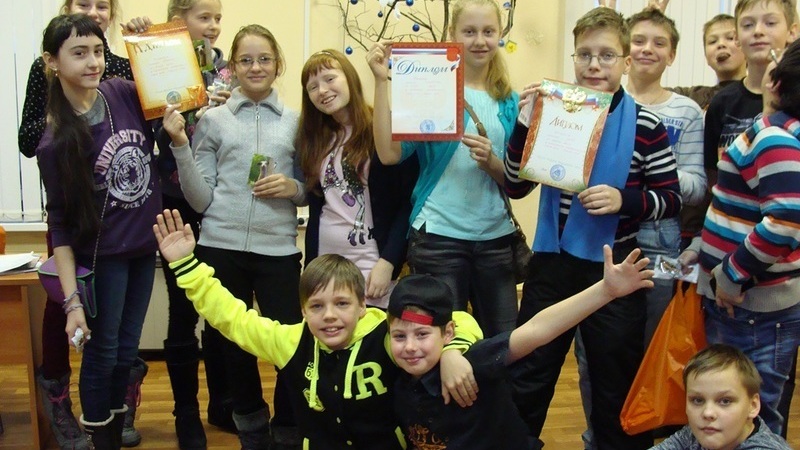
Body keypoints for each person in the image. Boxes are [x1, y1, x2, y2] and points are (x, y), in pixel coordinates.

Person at [152, 208, 483, 450]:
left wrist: (453, 352)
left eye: (342, 303)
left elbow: (457, 319)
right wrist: (186, 265)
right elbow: (233, 318)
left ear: (362, 305)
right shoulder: (290, 342)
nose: (329, 316)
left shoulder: (385, 332)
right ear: (303, 311)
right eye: (317, 306)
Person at [504, 6, 682, 449]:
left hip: (617, 267)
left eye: (606, 55)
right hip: (552, 261)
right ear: (574, 59)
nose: (594, 65)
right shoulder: (553, 112)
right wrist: (524, 124)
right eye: (584, 55)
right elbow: (515, 185)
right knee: (528, 373)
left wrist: (626, 200)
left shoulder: (646, 124)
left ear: (626, 62)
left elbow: (671, 198)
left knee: (614, 382)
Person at [162, 24, 303, 449]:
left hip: (278, 250)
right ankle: (252, 433)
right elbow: (200, 198)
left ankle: (288, 429)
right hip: (220, 247)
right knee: (232, 347)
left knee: (290, 344)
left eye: (264, 59)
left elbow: (311, 187)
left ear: (278, 64)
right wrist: (180, 144)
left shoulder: (297, 122)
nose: (255, 67)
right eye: (246, 60)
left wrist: (292, 188)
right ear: (233, 67)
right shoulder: (213, 120)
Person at [18, 2, 149, 447]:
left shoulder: (121, 92)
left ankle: (112, 431)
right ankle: (101, 440)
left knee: (126, 352)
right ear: (52, 62)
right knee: (103, 354)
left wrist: (146, 42)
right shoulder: (54, 139)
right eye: (79, 53)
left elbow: (174, 86)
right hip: (103, 257)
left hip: (142, 249)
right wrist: (72, 300)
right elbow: (59, 225)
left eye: (97, 50)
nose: (93, 62)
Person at [389, 245, 654, 450]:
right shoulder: (394, 373)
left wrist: (605, 291)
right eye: (399, 336)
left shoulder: (475, 361)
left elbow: (537, 330)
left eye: (422, 334)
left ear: (448, 333)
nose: (410, 347)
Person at [369, 0, 520, 336]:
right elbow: (389, 154)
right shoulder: (432, 88)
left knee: (504, 343)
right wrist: (381, 82)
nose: (479, 40)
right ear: (453, 35)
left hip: (495, 240)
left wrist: (492, 163)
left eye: (488, 31)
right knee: (441, 342)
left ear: (499, 35)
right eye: (469, 31)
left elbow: (515, 181)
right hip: (438, 238)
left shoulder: (510, 101)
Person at [125, 1, 232, 447]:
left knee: (221, 307)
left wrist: (223, 107)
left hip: (219, 205)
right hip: (174, 204)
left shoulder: (226, 69)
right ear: (178, 20)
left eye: (217, 18)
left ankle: (223, 401)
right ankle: (185, 412)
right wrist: (141, 38)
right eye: (204, 17)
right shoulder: (157, 61)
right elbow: (148, 130)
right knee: (183, 308)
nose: (213, 25)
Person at [682, 36, 800, 437]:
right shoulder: (781, 134)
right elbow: (740, 208)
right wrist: (703, 246)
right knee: (743, 410)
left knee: (750, 416)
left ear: (777, 84)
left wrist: (731, 275)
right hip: (750, 305)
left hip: (750, 306)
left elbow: (785, 220)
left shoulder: (775, 137)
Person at [297, 49, 418, 309]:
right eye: (312, 87)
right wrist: (310, 268)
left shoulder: (382, 129)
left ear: (350, 78)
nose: (322, 90)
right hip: (326, 264)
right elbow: (318, 206)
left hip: (372, 264)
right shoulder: (313, 139)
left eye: (330, 79)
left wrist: (389, 261)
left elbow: (408, 203)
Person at [651, 344, 792, 450]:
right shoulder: (696, 433)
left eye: (725, 401)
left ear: (753, 406)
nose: (708, 413)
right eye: (698, 400)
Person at [669, 13, 747, 110]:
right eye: (713, 41)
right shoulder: (693, 96)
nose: (721, 44)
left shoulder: (762, 94)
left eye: (730, 38)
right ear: (706, 57)